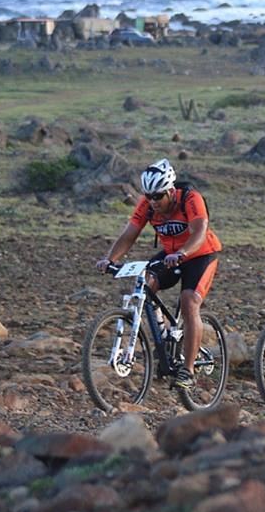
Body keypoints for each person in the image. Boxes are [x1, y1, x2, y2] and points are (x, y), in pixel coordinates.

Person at [95, 158, 223, 390]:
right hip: (171, 254)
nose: (153, 202)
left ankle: (189, 370)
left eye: (158, 196)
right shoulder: (147, 203)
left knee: (189, 301)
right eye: (149, 196)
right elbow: (130, 233)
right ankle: (164, 337)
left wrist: (183, 252)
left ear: (171, 191)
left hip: (201, 254)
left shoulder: (191, 199)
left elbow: (199, 232)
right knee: (146, 282)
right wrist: (110, 259)